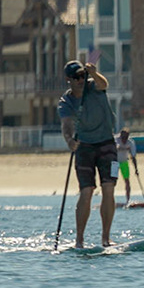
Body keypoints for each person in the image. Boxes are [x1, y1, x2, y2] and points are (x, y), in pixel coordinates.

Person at [59, 60, 119, 249]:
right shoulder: (66, 101)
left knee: (109, 187)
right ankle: (79, 240)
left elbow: (104, 84)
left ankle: (106, 238)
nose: (80, 80)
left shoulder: (95, 86)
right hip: (84, 147)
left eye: (82, 76)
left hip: (108, 143)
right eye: (76, 77)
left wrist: (93, 72)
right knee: (87, 191)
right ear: (68, 79)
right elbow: (66, 124)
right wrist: (70, 140)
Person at [115, 128, 136, 205]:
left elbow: (133, 156)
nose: (124, 140)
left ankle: (128, 200)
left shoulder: (130, 142)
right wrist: (123, 148)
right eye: (123, 138)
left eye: (126, 138)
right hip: (115, 163)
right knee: (112, 181)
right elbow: (115, 147)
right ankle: (110, 199)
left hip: (124, 162)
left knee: (127, 181)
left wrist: (136, 169)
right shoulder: (116, 140)